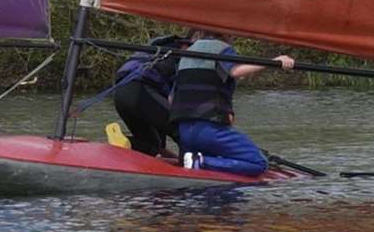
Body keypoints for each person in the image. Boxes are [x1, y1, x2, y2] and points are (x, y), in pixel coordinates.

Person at [169, 32, 294, 176]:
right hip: (210, 130)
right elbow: (235, 71)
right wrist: (275, 61)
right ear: (228, 34)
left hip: (184, 131)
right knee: (259, 163)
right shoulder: (222, 49)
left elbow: (171, 98)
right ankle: (202, 162)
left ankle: (198, 162)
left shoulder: (186, 54)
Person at [113, 32, 190, 157]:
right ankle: (189, 167)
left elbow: (161, 149)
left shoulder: (160, 44)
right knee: (184, 132)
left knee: (152, 145)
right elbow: (175, 100)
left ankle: (125, 142)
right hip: (142, 92)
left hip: (121, 94)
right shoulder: (187, 55)